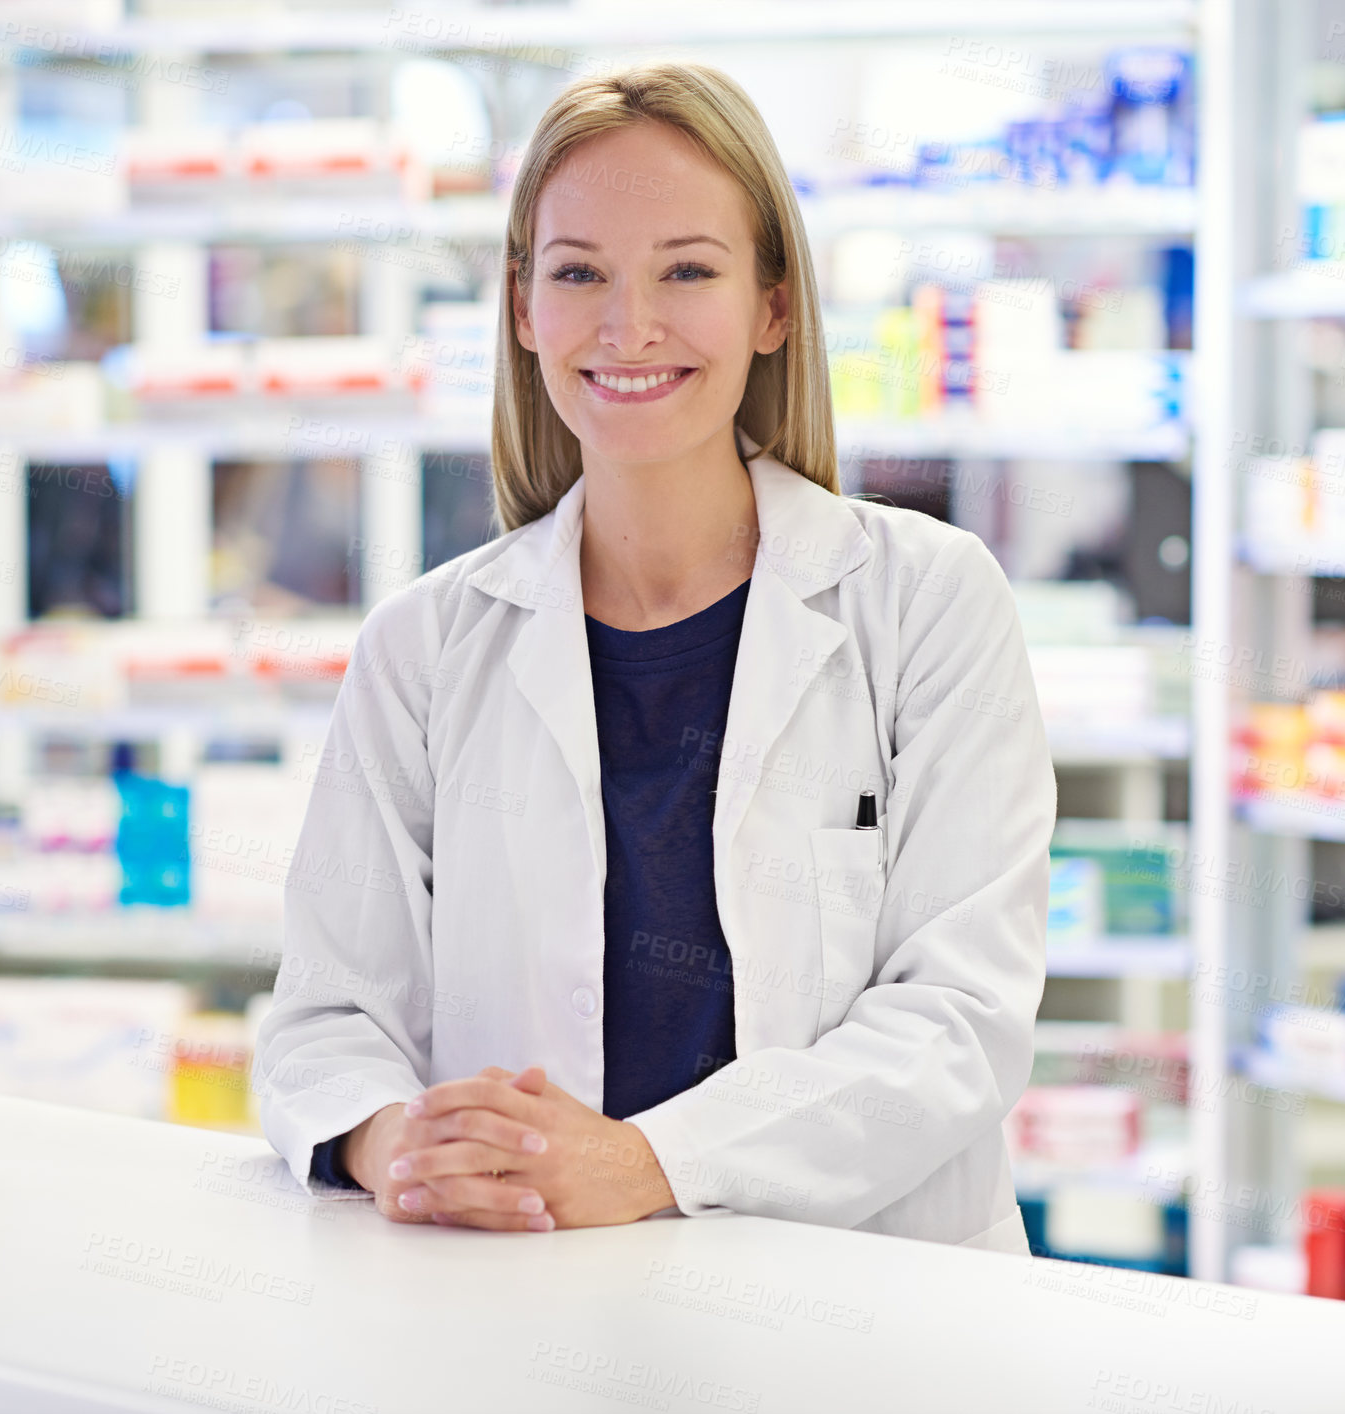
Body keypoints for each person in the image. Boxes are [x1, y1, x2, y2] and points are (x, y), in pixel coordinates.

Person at [252, 60, 1057, 1252]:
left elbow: (958, 1019)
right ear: (523, 309)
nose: (629, 327)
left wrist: (644, 1162)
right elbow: (327, 1013)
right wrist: (390, 1137)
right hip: (528, 1295)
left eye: (687, 270)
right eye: (579, 274)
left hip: (870, 1314)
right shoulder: (424, 648)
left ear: (773, 306)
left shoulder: (927, 603)